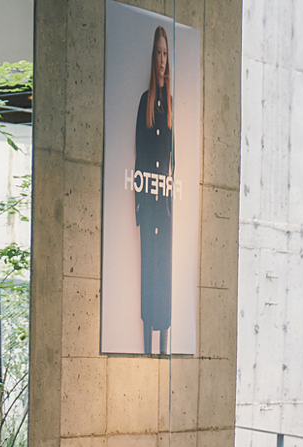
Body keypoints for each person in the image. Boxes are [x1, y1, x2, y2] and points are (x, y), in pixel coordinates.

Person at [134, 25, 174, 356]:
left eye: (165, 53)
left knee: (165, 270)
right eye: (158, 53)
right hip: (148, 204)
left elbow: (173, 159)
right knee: (148, 269)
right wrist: (139, 204)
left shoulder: (171, 105)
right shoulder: (145, 102)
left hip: (166, 207)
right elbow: (139, 155)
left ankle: (164, 348)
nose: (162, 59)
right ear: (152, 57)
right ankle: (147, 348)